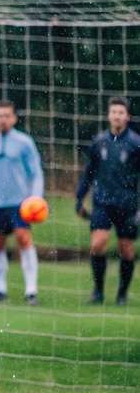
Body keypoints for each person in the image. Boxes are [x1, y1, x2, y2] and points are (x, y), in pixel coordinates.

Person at [0, 99, 44, 305]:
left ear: (14, 118)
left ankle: (31, 291)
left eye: (6, 115)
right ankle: (0, 291)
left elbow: (36, 172)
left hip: (20, 203)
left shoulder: (24, 142)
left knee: (23, 239)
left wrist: (35, 198)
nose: (2, 119)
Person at [75, 96, 140, 305]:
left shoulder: (135, 143)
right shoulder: (99, 141)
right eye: (114, 112)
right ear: (108, 115)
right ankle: (98, 292)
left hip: (128, 204)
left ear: (128, 117)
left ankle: (122, 294)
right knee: (97, 244)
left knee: (126, 249)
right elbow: (89, 172)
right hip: (102, 201)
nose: (117, 116)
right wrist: (79, 197)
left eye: (121, 113)